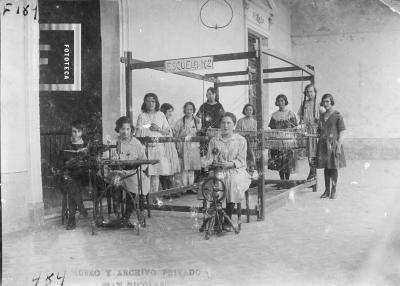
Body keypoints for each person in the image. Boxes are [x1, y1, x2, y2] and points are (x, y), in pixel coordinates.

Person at [202, 112, 251, 231]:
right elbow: (210, 158)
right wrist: (206, 163)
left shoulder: (240, 140)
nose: (226, 125)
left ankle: (227, 218)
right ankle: (216, 217)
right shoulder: (214, 140)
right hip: (219, 170)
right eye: (223, 122)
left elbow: (242, 160)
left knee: (232, 182)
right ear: (220, 124)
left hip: (236, 170)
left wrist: (230, 164)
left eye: (229, 123)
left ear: (234, 125)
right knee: (213, 183)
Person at [109, 116, 150, 226]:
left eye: (128, 129)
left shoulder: (136, 143)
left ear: (131, 130)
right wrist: (114, 159)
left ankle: (126, 216)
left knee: (136, 182)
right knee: (116, 183)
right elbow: (110, 160)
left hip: (133, 171)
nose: (125, 132)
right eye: (122, 129)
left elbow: (144, 161)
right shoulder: (114, 143)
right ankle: (117, 213)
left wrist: (139, 169)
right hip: (119, 172)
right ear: (118, 129)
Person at [135, 93, 178, 193]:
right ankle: (146, 197)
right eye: (148, 101)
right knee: (146, 174)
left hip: (158, 148)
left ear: (156, 103)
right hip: (145, 148)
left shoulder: (161, 115)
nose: (151, 103)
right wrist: (148, 125)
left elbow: (167, 131)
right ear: (145, 103)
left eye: (153, 101)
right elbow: (139, 129)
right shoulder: (142, 116)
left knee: (156, 174)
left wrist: (158, 129)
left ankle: (154, 197)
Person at [60, 120, 89, 230]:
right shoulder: (66, 145)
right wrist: (67, 163)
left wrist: (84, 160)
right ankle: (80, 210)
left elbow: (91, 160)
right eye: (73, 131)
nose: (75, 134)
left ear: (82, 132)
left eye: (77, 132)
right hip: (70, 174)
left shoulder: (86, 145)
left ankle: (72, 219)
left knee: (73, 184)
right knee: (72, 183)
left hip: (84, 175)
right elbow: (60, 163)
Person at [316, 94, 346, 199]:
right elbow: (319, 130)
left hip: (333, 145)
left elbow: (342, 132)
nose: (326, 104)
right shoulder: (322, 116)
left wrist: (338, 146)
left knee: (333, 167)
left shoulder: (337, 115)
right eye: (324, 102)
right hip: (323, 145)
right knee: (326, 167)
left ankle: (333, 191)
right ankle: (326, 191)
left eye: (328, 101)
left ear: (331, 102)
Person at [268, 94, 298, 180]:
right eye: (279, 101)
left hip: (288, 141)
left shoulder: (290, 113)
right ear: (276, 103)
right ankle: (281, 180)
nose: (281, 103)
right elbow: (272, 128)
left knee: (287, 161)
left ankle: (287, 180)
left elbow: (294, 127)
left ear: (285, 102)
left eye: (282, 101)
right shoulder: (274, 115)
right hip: (278, 141)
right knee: (279, 161)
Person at [173, 102, 202, 188]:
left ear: (193, 111)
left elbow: (199, 132)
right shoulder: (180, 121)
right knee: (184, 168)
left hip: (194, 147)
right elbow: (175, 134)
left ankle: (191, 187)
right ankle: (184, 188)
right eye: (187, 109)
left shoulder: (196, 121)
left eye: (191, 109)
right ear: (184, 110)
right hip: (183, 146)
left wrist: (199, 122)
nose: (189, 111)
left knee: (192, 168)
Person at [298, 84, 318, 180]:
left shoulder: (318, 103)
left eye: (311, 91)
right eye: (307, 92)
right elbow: (300, 117)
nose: (309, 94)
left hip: (315, 129)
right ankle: (312, 171)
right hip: (306, 129)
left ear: (315, 92)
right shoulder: (304, 103)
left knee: (314, 151)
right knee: (309, 152)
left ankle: (313, 172)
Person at [159, 103, 181, 190]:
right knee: (164, 168)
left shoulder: (168, 121)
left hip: (170, 146)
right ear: (164, 111)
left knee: (170, 169)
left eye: (171, 111)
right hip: (163, 146)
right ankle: (165, 189)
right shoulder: (160, 120)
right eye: (169, 111)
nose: (171, 113)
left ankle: (170, 189)